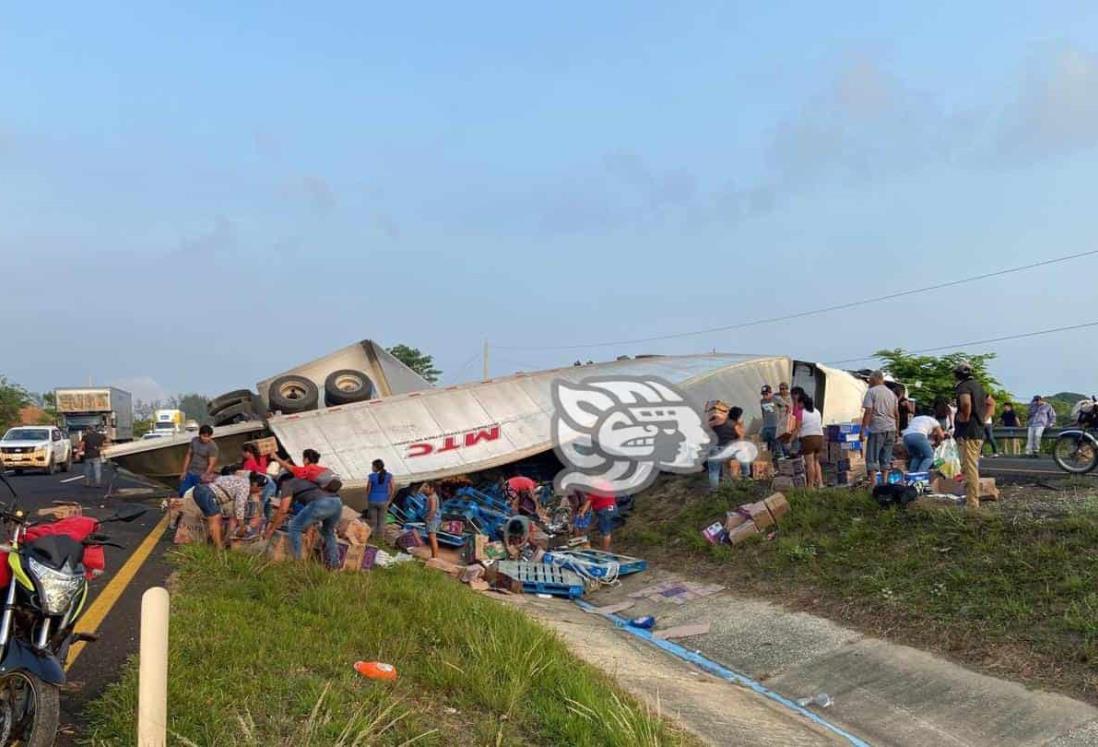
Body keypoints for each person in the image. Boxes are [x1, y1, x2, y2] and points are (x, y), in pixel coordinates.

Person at [264, 470, 343, 567]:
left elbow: (283, 509)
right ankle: (334, 564)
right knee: (328, 532)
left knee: (294, 527)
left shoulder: (287, 484)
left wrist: (271, 529)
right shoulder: (303, 483)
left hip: (321, 503)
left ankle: (297, 563)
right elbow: (289, 509)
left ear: (281, 481)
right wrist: (280, 519)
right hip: (337, 503)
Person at [192, 470, 266, 548]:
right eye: (260, 488)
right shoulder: (245, 487)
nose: (260, 491)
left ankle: (212, 542)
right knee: (216, 519)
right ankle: (219, 548)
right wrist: (242, 527)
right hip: (207, 493)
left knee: (214, 518)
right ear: (255, 485)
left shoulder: (241, 479)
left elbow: (221, 479)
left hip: (201, 489)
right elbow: (239, 507)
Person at [953, 361, 987, 510]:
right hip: (977, 431)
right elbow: (991, 403)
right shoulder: (978, 386)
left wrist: (965, 417)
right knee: (970, 466)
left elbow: (966, 403)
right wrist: (982, 419)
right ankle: (970, 498)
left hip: (967, 433)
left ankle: (972, 503)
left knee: (970, 467)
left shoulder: (963, 387)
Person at [859, 371, 899, 484]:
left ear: (875, 379)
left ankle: (874, 484)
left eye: (870, 380)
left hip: (877, 428)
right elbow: (896, 414)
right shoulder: (892, 394)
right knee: (886, 457)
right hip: (891, 428)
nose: (869, 382)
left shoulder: (871, 392)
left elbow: (868, 412)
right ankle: (885, 483)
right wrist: (897, 431)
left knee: (872, 457)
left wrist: (863, 430)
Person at [705, 401, 739, 489]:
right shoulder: (732, 423)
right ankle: (730, 488)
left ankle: (715, 491)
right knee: (729, 469)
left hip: (715, 448)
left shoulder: (711, 422)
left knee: (713, 471)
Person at [179, 425, 219, 496]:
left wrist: (205, 476)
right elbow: (188, 455)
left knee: (198, 495)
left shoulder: (213, 446)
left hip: (202, 475)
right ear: (200, 435)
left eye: (208, 437)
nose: (206, 438)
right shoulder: (194, 440)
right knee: (183, 492)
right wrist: (184, 471)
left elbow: (211, 464)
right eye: (204, 436)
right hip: (191, 472)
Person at [796, 396, 825, 488]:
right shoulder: (817, 411)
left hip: (809, 439)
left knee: (809, 463)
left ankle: (810, 486)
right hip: (819, 438)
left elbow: (798, 428)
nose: (798, 405)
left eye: (799, 403)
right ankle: (820, 483)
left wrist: (789, 439)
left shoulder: (801, 412)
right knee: (816, 461)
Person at [365, 459, 395, 540]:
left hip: (372, 500)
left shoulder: (371, 476)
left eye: (372, 466)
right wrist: (389, 499)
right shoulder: (389, 476)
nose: (372, 468)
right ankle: (380, 538)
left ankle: (373, 537)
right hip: (384, 500)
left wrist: (368, 498)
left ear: (375, 467)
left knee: (373, 521)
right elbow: (392, 488)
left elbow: (368, 489)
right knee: (382, 521)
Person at [759, 385, 786, 458]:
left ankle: (782, 460)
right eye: (763, 394)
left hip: (775, 425)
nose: (764, 396)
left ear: (770, 393)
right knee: (764, 444)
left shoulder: (776, 399)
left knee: (777, 444)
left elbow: (787, 406)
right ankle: (766, 459)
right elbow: (763, 412)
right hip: (766, 426)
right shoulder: (762, 401)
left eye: (766, 394)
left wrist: (783, 418)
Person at [588, 485, 617, 551]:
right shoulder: (609, 486)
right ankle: (606, 548)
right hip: (612, 508)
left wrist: (582, 512)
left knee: (606, 531)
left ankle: (605, 551)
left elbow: (589, 501)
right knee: (606, 529)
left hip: (604, 510)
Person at [422, 482, 440, 559]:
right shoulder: (433, 496)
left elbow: (432, 510)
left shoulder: (432, 497)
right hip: (434, 519)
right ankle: (434, 556)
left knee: (432, 538)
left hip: (432, 520)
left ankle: (434, 557)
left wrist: (428, 519)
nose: (425, 489)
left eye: (426, 487)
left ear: (432, 489)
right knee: (432, 538)